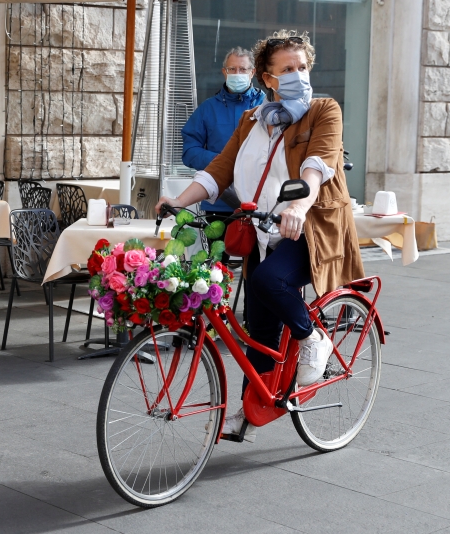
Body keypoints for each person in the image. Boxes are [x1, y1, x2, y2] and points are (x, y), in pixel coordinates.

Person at [156, 31, 364, 441]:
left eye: (302, 67)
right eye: (287, 69)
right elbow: (220, 169)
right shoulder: (252, 121)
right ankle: (252, 411)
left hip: (310, 229)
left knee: (271, 282)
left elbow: (319, 164)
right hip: (262, 233)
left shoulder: (323, 110)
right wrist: (179, 201)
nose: (297, 75)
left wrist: (298, 206)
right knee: (260, 329)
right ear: (267, 79)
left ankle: (313, 338)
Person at [181, 47, 265, 215]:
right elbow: (189, 152)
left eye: (243, 69)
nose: (237, 73)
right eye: (232, 69)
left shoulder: (267, 106)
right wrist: (219, 161)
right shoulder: (208, 109)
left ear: (253, 72)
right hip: (218, 203)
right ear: (224, 72)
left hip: (260, 203)